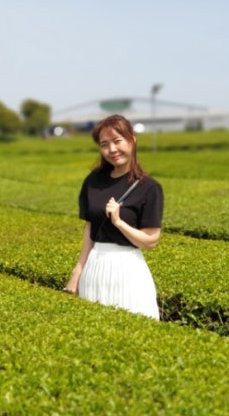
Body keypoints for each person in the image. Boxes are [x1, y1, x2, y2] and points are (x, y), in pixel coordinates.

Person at [64, 114, 164, 319]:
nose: (112, 150)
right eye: (104, 144)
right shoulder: (93, 181)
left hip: (127, 269)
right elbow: (90, 231)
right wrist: (77, 273)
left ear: (132, 139)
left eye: (117, 141)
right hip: (95, 268)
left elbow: (150, 242)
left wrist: (119, 222)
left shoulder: (149, 188)